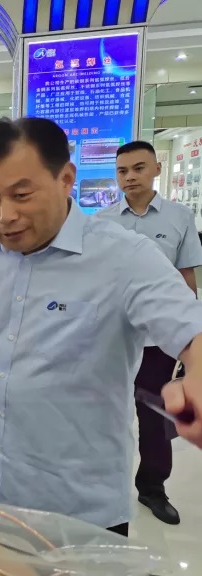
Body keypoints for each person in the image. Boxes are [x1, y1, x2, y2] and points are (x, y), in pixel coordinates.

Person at [0, 117, 202, 537]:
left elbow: (190, 327)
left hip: (84, 505)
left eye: (21, 195)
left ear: (65, 179)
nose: (5, 216)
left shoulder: (124, 256)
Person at [96, 140, 202, 525]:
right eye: (122, 171)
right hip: (112, 337)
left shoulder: (179, 217)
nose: (130, 177)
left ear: (157, 169)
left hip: (158, 340)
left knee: (154, 413)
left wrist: (189, 341)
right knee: (105, 411)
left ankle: (153, 487)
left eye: (138, 168)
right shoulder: (102, 222)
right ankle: (101, 486)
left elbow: (186, 278)